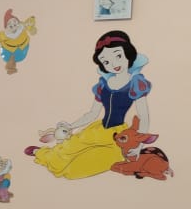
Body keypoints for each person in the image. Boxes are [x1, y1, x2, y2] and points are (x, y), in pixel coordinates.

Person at [25, 30, 152, 179]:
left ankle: (49, 156)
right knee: (67, 150)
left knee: (79, 168)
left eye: (118, 56)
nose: (113, 64)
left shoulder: (136, 83)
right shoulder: (103, 84)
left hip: (118, 137)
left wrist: (139, 145)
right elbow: (92, 113)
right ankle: (40, 152)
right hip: (98, 130)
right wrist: (71, 126)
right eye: (106, 61)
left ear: (128, 54)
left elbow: (144, 117)